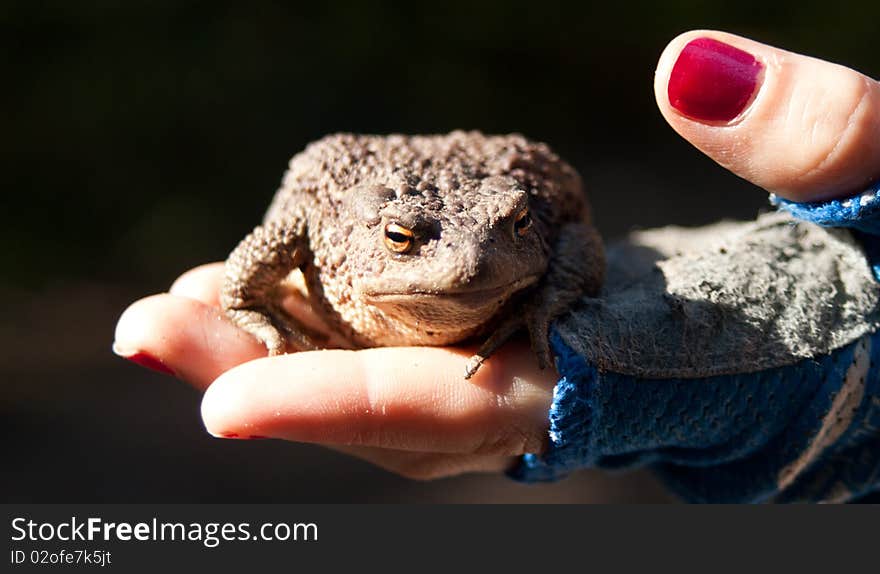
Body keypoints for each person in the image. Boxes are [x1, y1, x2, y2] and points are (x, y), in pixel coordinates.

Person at [112, 30, 880, 502]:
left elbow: (574, 234)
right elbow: (269, 246)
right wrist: (252, 305)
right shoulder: (340, 216)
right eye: (415, 241)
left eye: (505, 230)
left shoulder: (521, 210)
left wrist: (549, 299)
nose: (469, 262)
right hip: (361, 213)